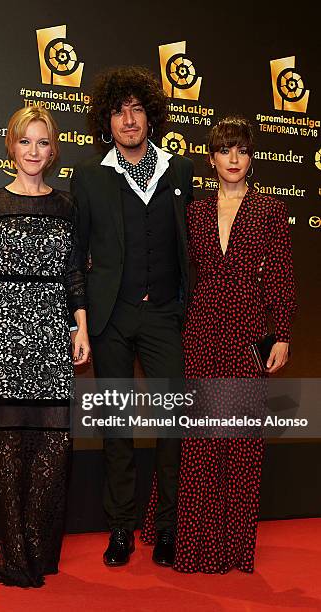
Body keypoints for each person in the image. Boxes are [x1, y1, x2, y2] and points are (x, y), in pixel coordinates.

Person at [141, 116, 296, 573]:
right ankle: (194, 540)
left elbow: (283, 278)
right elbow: (175, 268)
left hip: (248, 328)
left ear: (251, 158)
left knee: (241, 437)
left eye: (242, 150)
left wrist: (282, 333)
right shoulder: (195, 211)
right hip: (202, 328)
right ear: (211, 158)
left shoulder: (270, 209)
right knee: (200, 437)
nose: (234, 158)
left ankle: (233, 545)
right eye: (225, 150)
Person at [0, 107, 89, 587]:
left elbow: (75, 274)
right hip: (3, 331)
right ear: (11, 146)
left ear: (54, 151)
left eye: (43, 143)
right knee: (6, 448)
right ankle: (11, 555)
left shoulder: (67, 206)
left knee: (53, 445)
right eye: (25, 142)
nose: (34, 151)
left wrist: (81, 326)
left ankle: (35, 546)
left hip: (53, 331)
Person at [71, 66, 194, 567]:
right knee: (115, 425)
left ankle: (165, 527)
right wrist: (79, 321)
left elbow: (193, 242)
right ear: (107, 119)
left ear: (151, 115)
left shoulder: (179, 170)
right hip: (111, 318)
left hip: (165, 314)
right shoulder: (89, 175)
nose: (128, 119)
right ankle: (121, 528)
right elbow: (76, 255)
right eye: (119, 110)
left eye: (137, 108)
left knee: (172, 425)